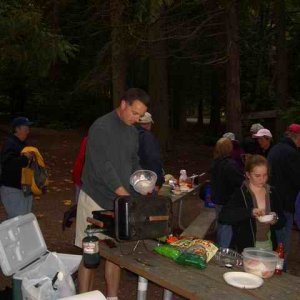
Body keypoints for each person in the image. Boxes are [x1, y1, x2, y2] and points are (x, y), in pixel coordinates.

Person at [75, 88, 149, 299]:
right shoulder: (101, 127)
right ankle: (83, 296)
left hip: (119, 201)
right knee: (91, 253)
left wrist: (141, 181)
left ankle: (112, 297)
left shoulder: (133, 131)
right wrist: (123, 194)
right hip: (95, 199)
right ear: (123, 104)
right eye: (134, 113)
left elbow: (133, 160)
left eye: (140, 115)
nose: (137, 119)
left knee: (115, 253)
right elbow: (102, 166)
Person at [219, 155, 285, 252]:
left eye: (265, 175)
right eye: (257, 175)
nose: (262, 179)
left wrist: (275, 219)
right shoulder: (241, 194)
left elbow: (282, 221)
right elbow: (223, 217)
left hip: (269, 245)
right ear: (248, 175)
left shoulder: (272, 192)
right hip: (247, 248)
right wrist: (250, 212)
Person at [267, 124, 300, 268]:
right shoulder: (291, 153)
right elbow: (297, 180)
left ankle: (274, 266)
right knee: (283, 240)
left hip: (272, 200)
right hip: (285, 202)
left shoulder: (275, 149)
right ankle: (282, 269)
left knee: (275, 237)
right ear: (297, 137)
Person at [210, 137, 244, 248]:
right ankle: (223, 251)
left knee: (221, 225)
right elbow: (239, 181)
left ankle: (220, 248)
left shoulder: (216, 163)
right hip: (227, 201)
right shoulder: (230, 164)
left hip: (218, 198)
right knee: (226, 226)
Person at [0, 117, 34, 219]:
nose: (28, 130)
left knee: (25, 218)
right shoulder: (10, 143)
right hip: (12, 187)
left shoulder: (23, 144)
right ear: (17, 129)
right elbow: (7, 164)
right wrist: (24, 158)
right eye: (26, 127)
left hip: (25, 186)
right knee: (17, 219)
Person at [136, 112, 164, 189]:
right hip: (147, 178)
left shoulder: (130, 135)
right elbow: (153, 158)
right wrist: (158, 180)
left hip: (134, 177)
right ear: (148, 124)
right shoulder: (147, 137)